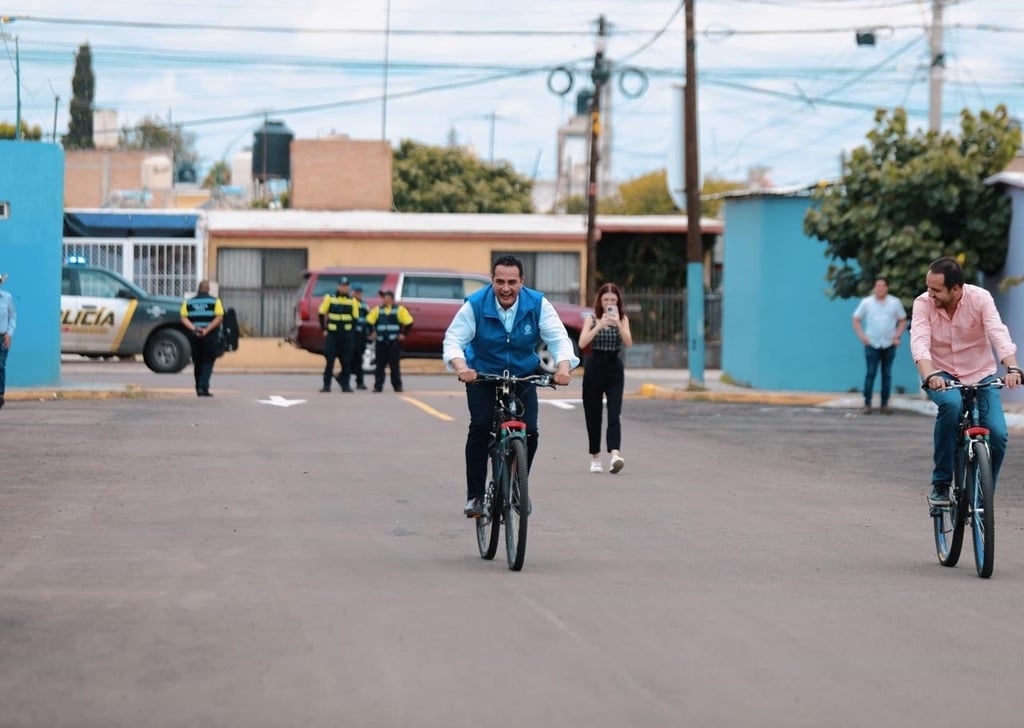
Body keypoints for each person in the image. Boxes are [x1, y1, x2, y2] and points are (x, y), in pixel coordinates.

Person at [443, 255, 579, 518]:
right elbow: (453, 339)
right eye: (500, 281)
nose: (506, 288)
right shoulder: (475, 304)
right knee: (481, 426)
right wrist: (462, 368)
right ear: (492, 280)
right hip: (481, 374)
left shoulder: (537, 303)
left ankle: (518, 485)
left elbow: (558, 337)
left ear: (522, 282)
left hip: (522, 374)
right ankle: (475, 497)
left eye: (512, 282)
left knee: (531, 432)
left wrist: (563, 368)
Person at [911, 256, 1022, 506]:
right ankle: (941, 484)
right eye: (929, 288)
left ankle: (984, 493)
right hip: (941, 374)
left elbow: (997, 333)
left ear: (956, 288)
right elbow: (919, 341)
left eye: (936, 290)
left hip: (980, 373)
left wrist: (1013, 367)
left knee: (998, 434)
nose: (930, 295)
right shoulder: (922, 303)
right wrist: (929, 375)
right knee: (951, 406)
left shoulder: (980, 298)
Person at [578, 282, 633, 474]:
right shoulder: (591, 318)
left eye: (613, 300)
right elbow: (582, 342)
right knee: (592, 414)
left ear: (618, 302)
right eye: (606, 299)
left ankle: (615, 454)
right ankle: (595, 457)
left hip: (614, 368)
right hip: (594, 366)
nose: (609, 303)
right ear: (600, 301)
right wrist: (599, 325)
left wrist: (617, 322)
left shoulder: (623, 319)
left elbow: (628, 341)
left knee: (614, 413)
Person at [852, 277, 907, 414]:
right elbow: (856, 319)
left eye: (883, 285)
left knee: (886, 374)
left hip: (889, 343)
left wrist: (897, 336)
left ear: (887, 287)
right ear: (874, 288)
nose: (880, 288)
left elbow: (902, 320)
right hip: (872, 343)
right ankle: (867, 403)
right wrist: (862, 336)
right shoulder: (867, 302)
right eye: (878, 285)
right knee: (870, 373)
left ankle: (884, 404)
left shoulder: (894, 302)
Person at [180, 280, 224, 397]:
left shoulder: (189, 302)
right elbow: (219, 318)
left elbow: (183, 318)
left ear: (198, 289)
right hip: (210, 336)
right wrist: (207, 330)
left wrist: (194, 328)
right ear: (208, 289)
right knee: (208, 361)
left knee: (197, 361)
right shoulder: (215, 301)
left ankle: (198, 386)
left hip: (194, 336)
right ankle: (203, 387)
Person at [366, 289, 414, 393]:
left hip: (393, 343)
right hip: (381, 342)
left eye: (387, 298)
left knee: (394, 366)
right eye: (384, 298)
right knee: (379, 366)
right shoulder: (378, 310)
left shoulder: (399, 310)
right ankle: (378, 386)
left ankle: (397, 386)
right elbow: (369, 321)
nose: (385, 300)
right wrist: (372, 332)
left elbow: (409, 322)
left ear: (392, 300)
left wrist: (403, 334)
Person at [317, 276, 358, 393]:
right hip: (333, 335)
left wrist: (351, 333)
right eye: (342, 285)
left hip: (346, 336)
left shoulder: (352, 301)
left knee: (346, 361)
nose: (344, 288)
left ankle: (346, 385)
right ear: (338, 286)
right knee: (330, 360)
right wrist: (324, 329)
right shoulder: (330, 298)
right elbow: (321, 313)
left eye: (346, 286)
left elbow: (355, 319)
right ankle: (326, 385)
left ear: (348, 287)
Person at [349, 282, 370, 390]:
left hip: (361, 335)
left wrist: (370, 332)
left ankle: (359, 382)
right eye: (356, 292)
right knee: (349, 358)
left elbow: (369, 320)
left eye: (360, 292)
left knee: (358, 359)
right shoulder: (348, 303)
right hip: (351, 334)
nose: (358, 294)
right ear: (351, 292)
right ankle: (346, 380)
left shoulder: (364, 305)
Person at [0, 272, 15, 410]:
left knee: (0, 365)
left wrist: (9, 333)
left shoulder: (7, 297)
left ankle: (0, 394)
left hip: (2, 336)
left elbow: (12, 317)